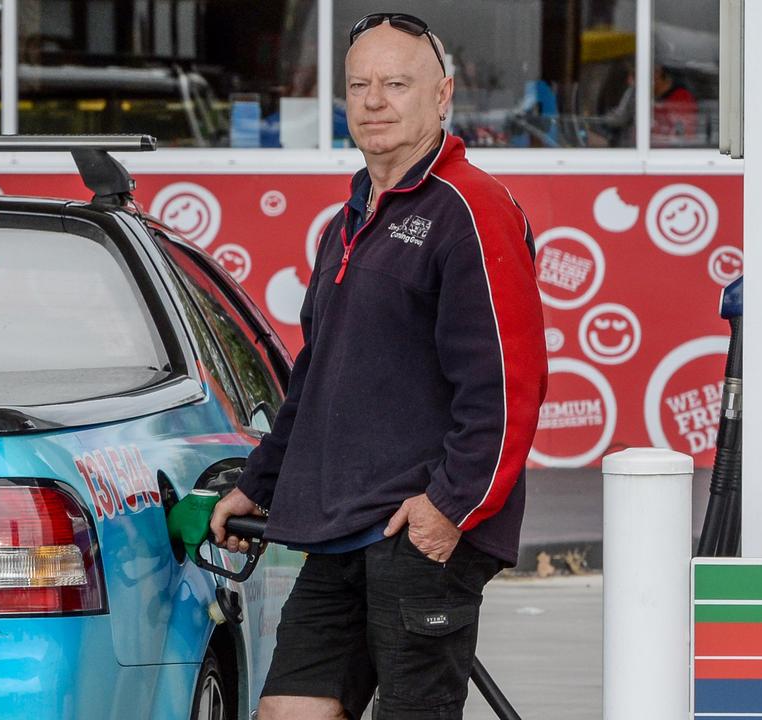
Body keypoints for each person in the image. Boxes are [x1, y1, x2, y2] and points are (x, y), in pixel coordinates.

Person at [210, 11, 547, 720]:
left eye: (396, 83)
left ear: (442, 95)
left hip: (417, 526)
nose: (373, 101)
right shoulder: (350, 222)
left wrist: (449, 507)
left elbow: (508, 385)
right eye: (359, 84)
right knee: (289, 711)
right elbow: (318, 375)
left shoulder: (471, 209)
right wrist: (259, 482)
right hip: (340, 525)